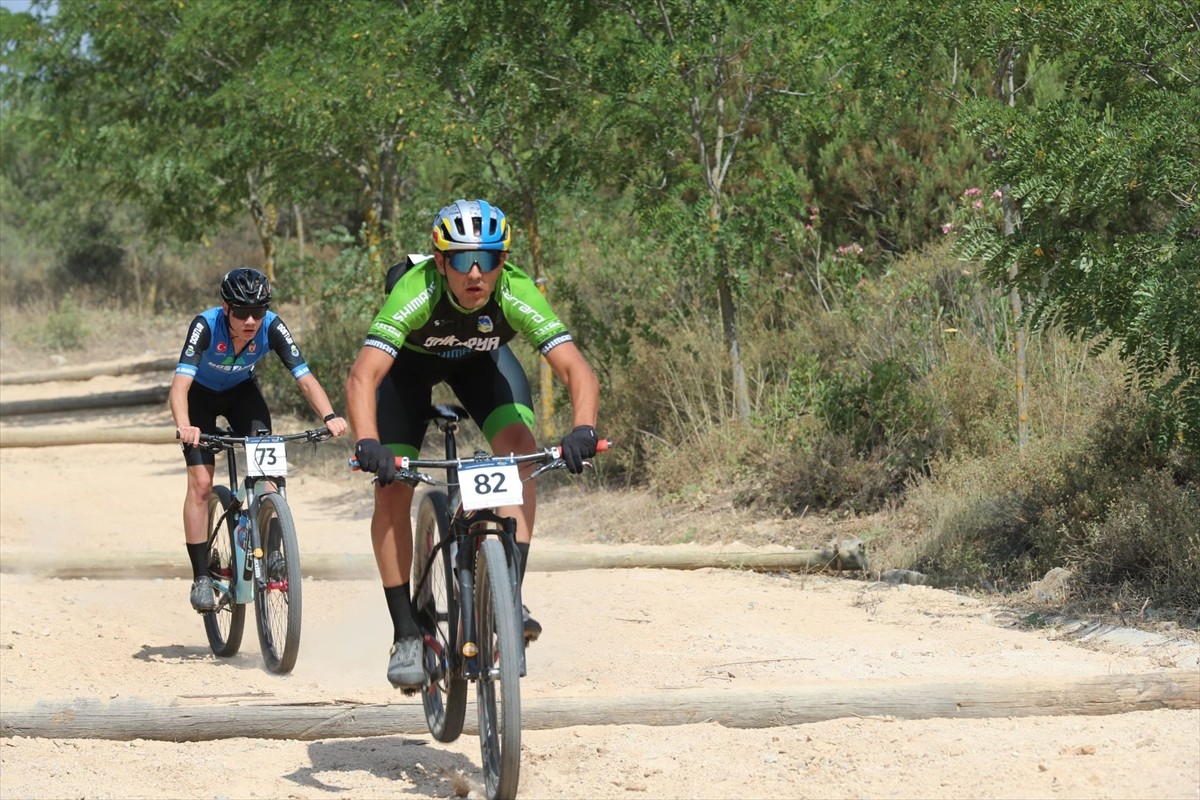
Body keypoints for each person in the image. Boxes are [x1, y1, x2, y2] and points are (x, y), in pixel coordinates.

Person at [346, 198, 601, 690]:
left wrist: (583, 429)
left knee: (521, 451)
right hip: (407, 373)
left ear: (504, 260)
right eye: (463, 259)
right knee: (392, 487)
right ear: (441, 261)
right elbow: (363, 376)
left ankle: (508, 596)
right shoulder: (416, 290)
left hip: (480, 364)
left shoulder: (515, 290)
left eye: (490, 258)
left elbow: (577, 370)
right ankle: (406, 634)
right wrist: (368, 442)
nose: (476, 272)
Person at [170, 267, 349, 612]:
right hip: (199, 399)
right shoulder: (205, 325)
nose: (251, 320)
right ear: (226, 308)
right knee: (201, 485)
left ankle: (276, 552)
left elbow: (304, 378)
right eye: (241, 312)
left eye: (258, 311)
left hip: (242, 395)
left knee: (269, 474)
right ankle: (201, 576)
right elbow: (179, 387)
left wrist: (329, 416)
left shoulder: (273, 326)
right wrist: (184, 426)